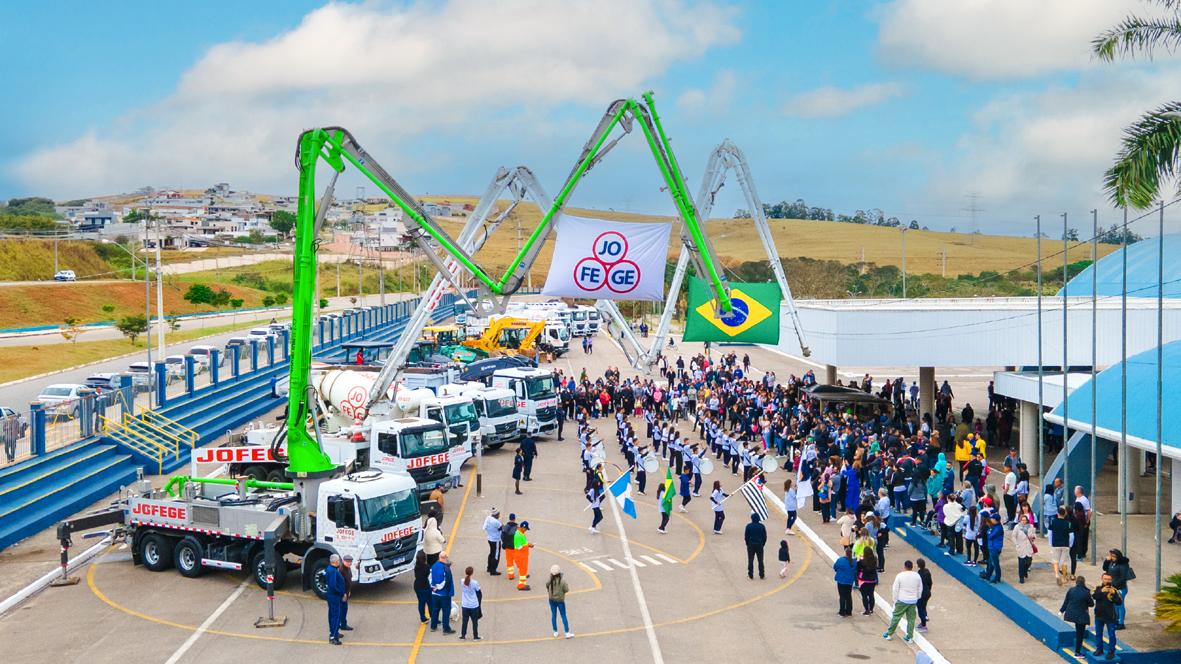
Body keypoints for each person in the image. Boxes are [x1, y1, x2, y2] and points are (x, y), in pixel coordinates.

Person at [883, 560, 922, 643]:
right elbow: (920, 588)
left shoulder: (900, 576)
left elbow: (895, 588)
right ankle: (910, 637)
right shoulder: (917, 576)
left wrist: (895, 599)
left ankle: (889, 633)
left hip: (902, 600)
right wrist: (917, 597)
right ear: (912, 567)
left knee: (896, 617)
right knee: (911, 619)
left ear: (904, 567)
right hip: (912, 601)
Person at [1060, 576, 1094, 659]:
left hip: (1071, 614)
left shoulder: (1071, 590)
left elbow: (1066, 601)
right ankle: (1077, 652)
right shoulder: (1086, 592)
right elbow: (1091, 604)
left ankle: (1077, 651)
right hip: (1081, 616)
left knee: (1078, 631)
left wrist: (1061, 611)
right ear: (1084, 582)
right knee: (1080, 634)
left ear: (1076, 582)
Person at [1093, 572, 1124, 659]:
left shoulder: (1114, 590)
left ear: (1111, 580)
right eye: (1105, 579)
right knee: (1098, 634)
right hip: (1099, 615)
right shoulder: (1098, 588)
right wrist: (1102, 592)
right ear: (1102, 579)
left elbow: (1119, 602)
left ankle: (1111, 651)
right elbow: (1094, 596)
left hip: (1110, 617)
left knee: (1111, 635)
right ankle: (1099, 649)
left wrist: (1114, 594)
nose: (1107, 581)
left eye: (1109, 579)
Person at [1102, 549, 1134, 629]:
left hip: (1120, 588)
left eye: (1113, 556)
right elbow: (1104, 568)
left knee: (1120, 605)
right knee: (1114, 604)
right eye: (1111, 556)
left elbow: (1123, 578)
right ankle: (1115, 619)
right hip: (1112, 587)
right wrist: (1106, 560)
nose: (1111, 557)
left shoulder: (1123, 564)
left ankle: (1121, 623)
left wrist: (1113, 585)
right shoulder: (1111, 562)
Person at [1048, 506, 1076, 586]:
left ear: (1057, 514)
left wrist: (1051, 543)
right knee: (1064, 562)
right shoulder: (1068, 523)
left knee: (1055, 561)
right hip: (1065, 544)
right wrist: (1070, 544)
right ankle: (1064, 577)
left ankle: (1057, 575)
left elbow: (1050, 534)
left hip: (1055, 544)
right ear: (1065, 514)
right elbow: (1071, 536)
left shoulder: (1052, 522)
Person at [546, 564, 573, 638]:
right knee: (563, 615)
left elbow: (547, 584)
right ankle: (567, 632)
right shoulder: (562, 581)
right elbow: (566, 589)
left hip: (551, 600)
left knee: (554, 615)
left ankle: (555, 631)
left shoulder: (550, 579)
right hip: (560, 600)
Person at [325, 553, 346, 645]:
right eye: (339, 561)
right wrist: (341, 593)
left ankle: (335, 632)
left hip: (331, 596)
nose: (340, 562)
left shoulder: (330, 569)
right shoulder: (333, 571)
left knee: (332, 614)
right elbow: (333, 586)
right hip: (334, 596)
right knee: (335, 615)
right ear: (335, 562)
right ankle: (333, 636)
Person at [1012, 513, 1037, 584]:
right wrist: (1016, 544)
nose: (1023, 521)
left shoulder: (1031, 526)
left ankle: (1025, 571)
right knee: (1021, 563)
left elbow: (1034, 535)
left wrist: (1033, 537)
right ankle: (1021, 577)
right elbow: (1013, 536)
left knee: (1029, 561)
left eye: (1025, 520)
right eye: (1022, 520)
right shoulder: (1017, 527)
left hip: (1028, 546)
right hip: (1021, 546)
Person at [459, 566, 482, 640]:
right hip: (473, 605)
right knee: (475, 622)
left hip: (465, 605)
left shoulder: (462, 581)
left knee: (465, 621)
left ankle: (463, 635)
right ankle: (475, 636)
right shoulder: (475, 582)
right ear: (472, 573)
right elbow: (479, 592)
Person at [834, 546, 857, 617]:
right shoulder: (854, 562)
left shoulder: (841, 560)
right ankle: (849, 611)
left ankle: (842, 611)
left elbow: (835, 567)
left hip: (841, 581)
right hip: (849, 581)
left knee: (842, 596)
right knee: (848, 596)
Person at [981, 514, 1004, 583]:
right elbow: (988, 532)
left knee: (995, 563)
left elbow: (990, 536)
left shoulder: (998, 528)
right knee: (991, 563)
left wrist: (989, 532)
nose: (991, 520)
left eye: (992, 519)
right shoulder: (994, 526)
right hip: (992, 547)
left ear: (995, 520)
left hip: (995, 548)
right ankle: (988, 575)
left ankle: (997, 577)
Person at [744, 512, 767, 579]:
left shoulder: (748, 526)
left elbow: (746, 537)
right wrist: (762, 544)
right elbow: (764, 537)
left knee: (750, 560)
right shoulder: (762, 526)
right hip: (759, 544)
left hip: (751, 545)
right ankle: (762, 574)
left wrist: (747, 544)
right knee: (760, 560)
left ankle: (750, 575)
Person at [514, 520, 535, 591]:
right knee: (523, 571)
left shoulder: (521, 533)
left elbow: (523, 543)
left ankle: (522, 583)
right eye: (526, 529)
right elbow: (519, 547)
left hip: (523, 556)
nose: (526, 530)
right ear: (523, 527)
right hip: (521, 556)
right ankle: (521, 585)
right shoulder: (518, 535)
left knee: (523, 571)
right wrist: (528, 545)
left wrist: (527, 544)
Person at [858, 548, 879, 615]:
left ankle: (867, 610)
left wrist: (859, 559)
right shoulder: (875, 559)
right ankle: (871, 609)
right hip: (873, 580)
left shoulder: (862, 561)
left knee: (864, 596)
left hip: (864, 580)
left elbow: (857, 568)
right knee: (871, 594)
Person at [413, 550, 431, 624]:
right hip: (425, 586)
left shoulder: (416, 566)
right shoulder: (426, 567)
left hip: (417, 585)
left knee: (421, 602)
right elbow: (428, 575)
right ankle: (433, 617)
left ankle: (423, 618)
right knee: (430, 602)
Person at [484, 508, 503, 575]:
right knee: (496, 555)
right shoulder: (496, 522)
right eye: (498, 514)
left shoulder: (488, 518)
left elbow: (484, 527)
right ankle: (493, 570)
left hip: (490, 538)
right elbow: (502, 527)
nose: (499, 516)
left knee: (491, 553)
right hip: (496, 540)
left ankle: (489, 568)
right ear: (496, 515)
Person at [916, 558, 933, 633]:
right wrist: (929, 589)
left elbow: (918, 584)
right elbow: (930, 582)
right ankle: (923, 624)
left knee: (920, 607)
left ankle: (924, 617)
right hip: (928, 592)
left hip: (922, 593)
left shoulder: (919, 573)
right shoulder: (927, 571)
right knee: (923, 606)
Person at [339, 554, 355, 631]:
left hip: (346, 592)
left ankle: (343, 624)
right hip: (342, 594)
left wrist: (349, 591)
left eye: (350, 562)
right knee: (341, 610)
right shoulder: (341, 570)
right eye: (347, 561)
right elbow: (340, 584)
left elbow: (349, 580)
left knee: (344, 609)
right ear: (343, 561)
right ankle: (340, 625)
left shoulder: (348, 568)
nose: (349, 563)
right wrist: (344, 593)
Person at [502, 513, 519, 580]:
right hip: (515, 547)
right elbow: (519, 537)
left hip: (508, 548)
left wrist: (505, 543)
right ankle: (522, 573)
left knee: (509, 562)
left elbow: (502, 536)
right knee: (519, 561)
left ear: (509, 518)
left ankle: (511, 576)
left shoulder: (505, 527)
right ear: (514, 519)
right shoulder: (517, 527)